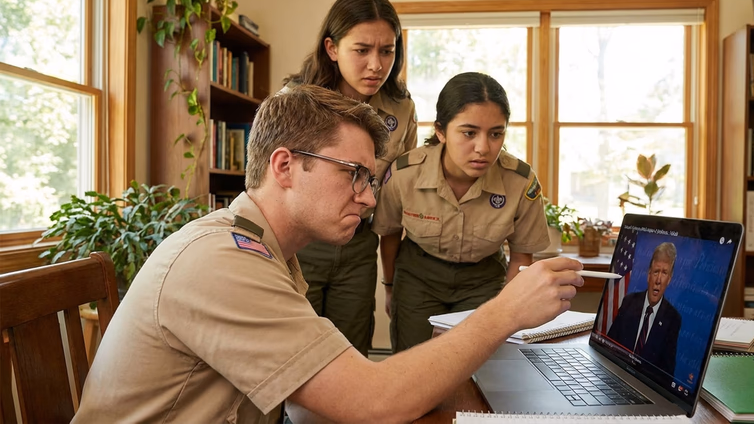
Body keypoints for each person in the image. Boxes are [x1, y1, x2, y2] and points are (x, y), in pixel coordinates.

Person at [72, 85, 585, 423]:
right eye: (353, 174)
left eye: (369, 177)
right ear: (285, 166)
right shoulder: (222, 261)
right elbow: (374, 400)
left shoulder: (268, 254)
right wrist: (506, 311)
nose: (367, 196)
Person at [372, 72, 551, 353]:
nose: (483, 148)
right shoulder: (405, 173)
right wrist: (391, 287)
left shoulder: (520, 181)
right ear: (441, 131)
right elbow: (391, 234)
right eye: (469, 133)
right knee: (413, 364)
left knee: (478, 366)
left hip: (483, 277)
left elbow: (521, 255)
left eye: (496, 134)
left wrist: (507, 310)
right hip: (418, 275)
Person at [281, 0, 418, 356]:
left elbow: (399, 190)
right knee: (293, 354)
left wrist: (392, 281)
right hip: (300, 243)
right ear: (332, 49)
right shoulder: (296, 100)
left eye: (387, 51)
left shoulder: (402, 108)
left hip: (358, 245)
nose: (376, 65)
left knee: (348, 354)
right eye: (362, 50)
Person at [607, 242, 682, 376]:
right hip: (617, 373)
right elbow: (609, 346)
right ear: (648, 275)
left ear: (669, 280)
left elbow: (666, 374)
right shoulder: (629, 302)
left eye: (664, 273)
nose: (658, 280)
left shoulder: (672, 319)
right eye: (656, 271)